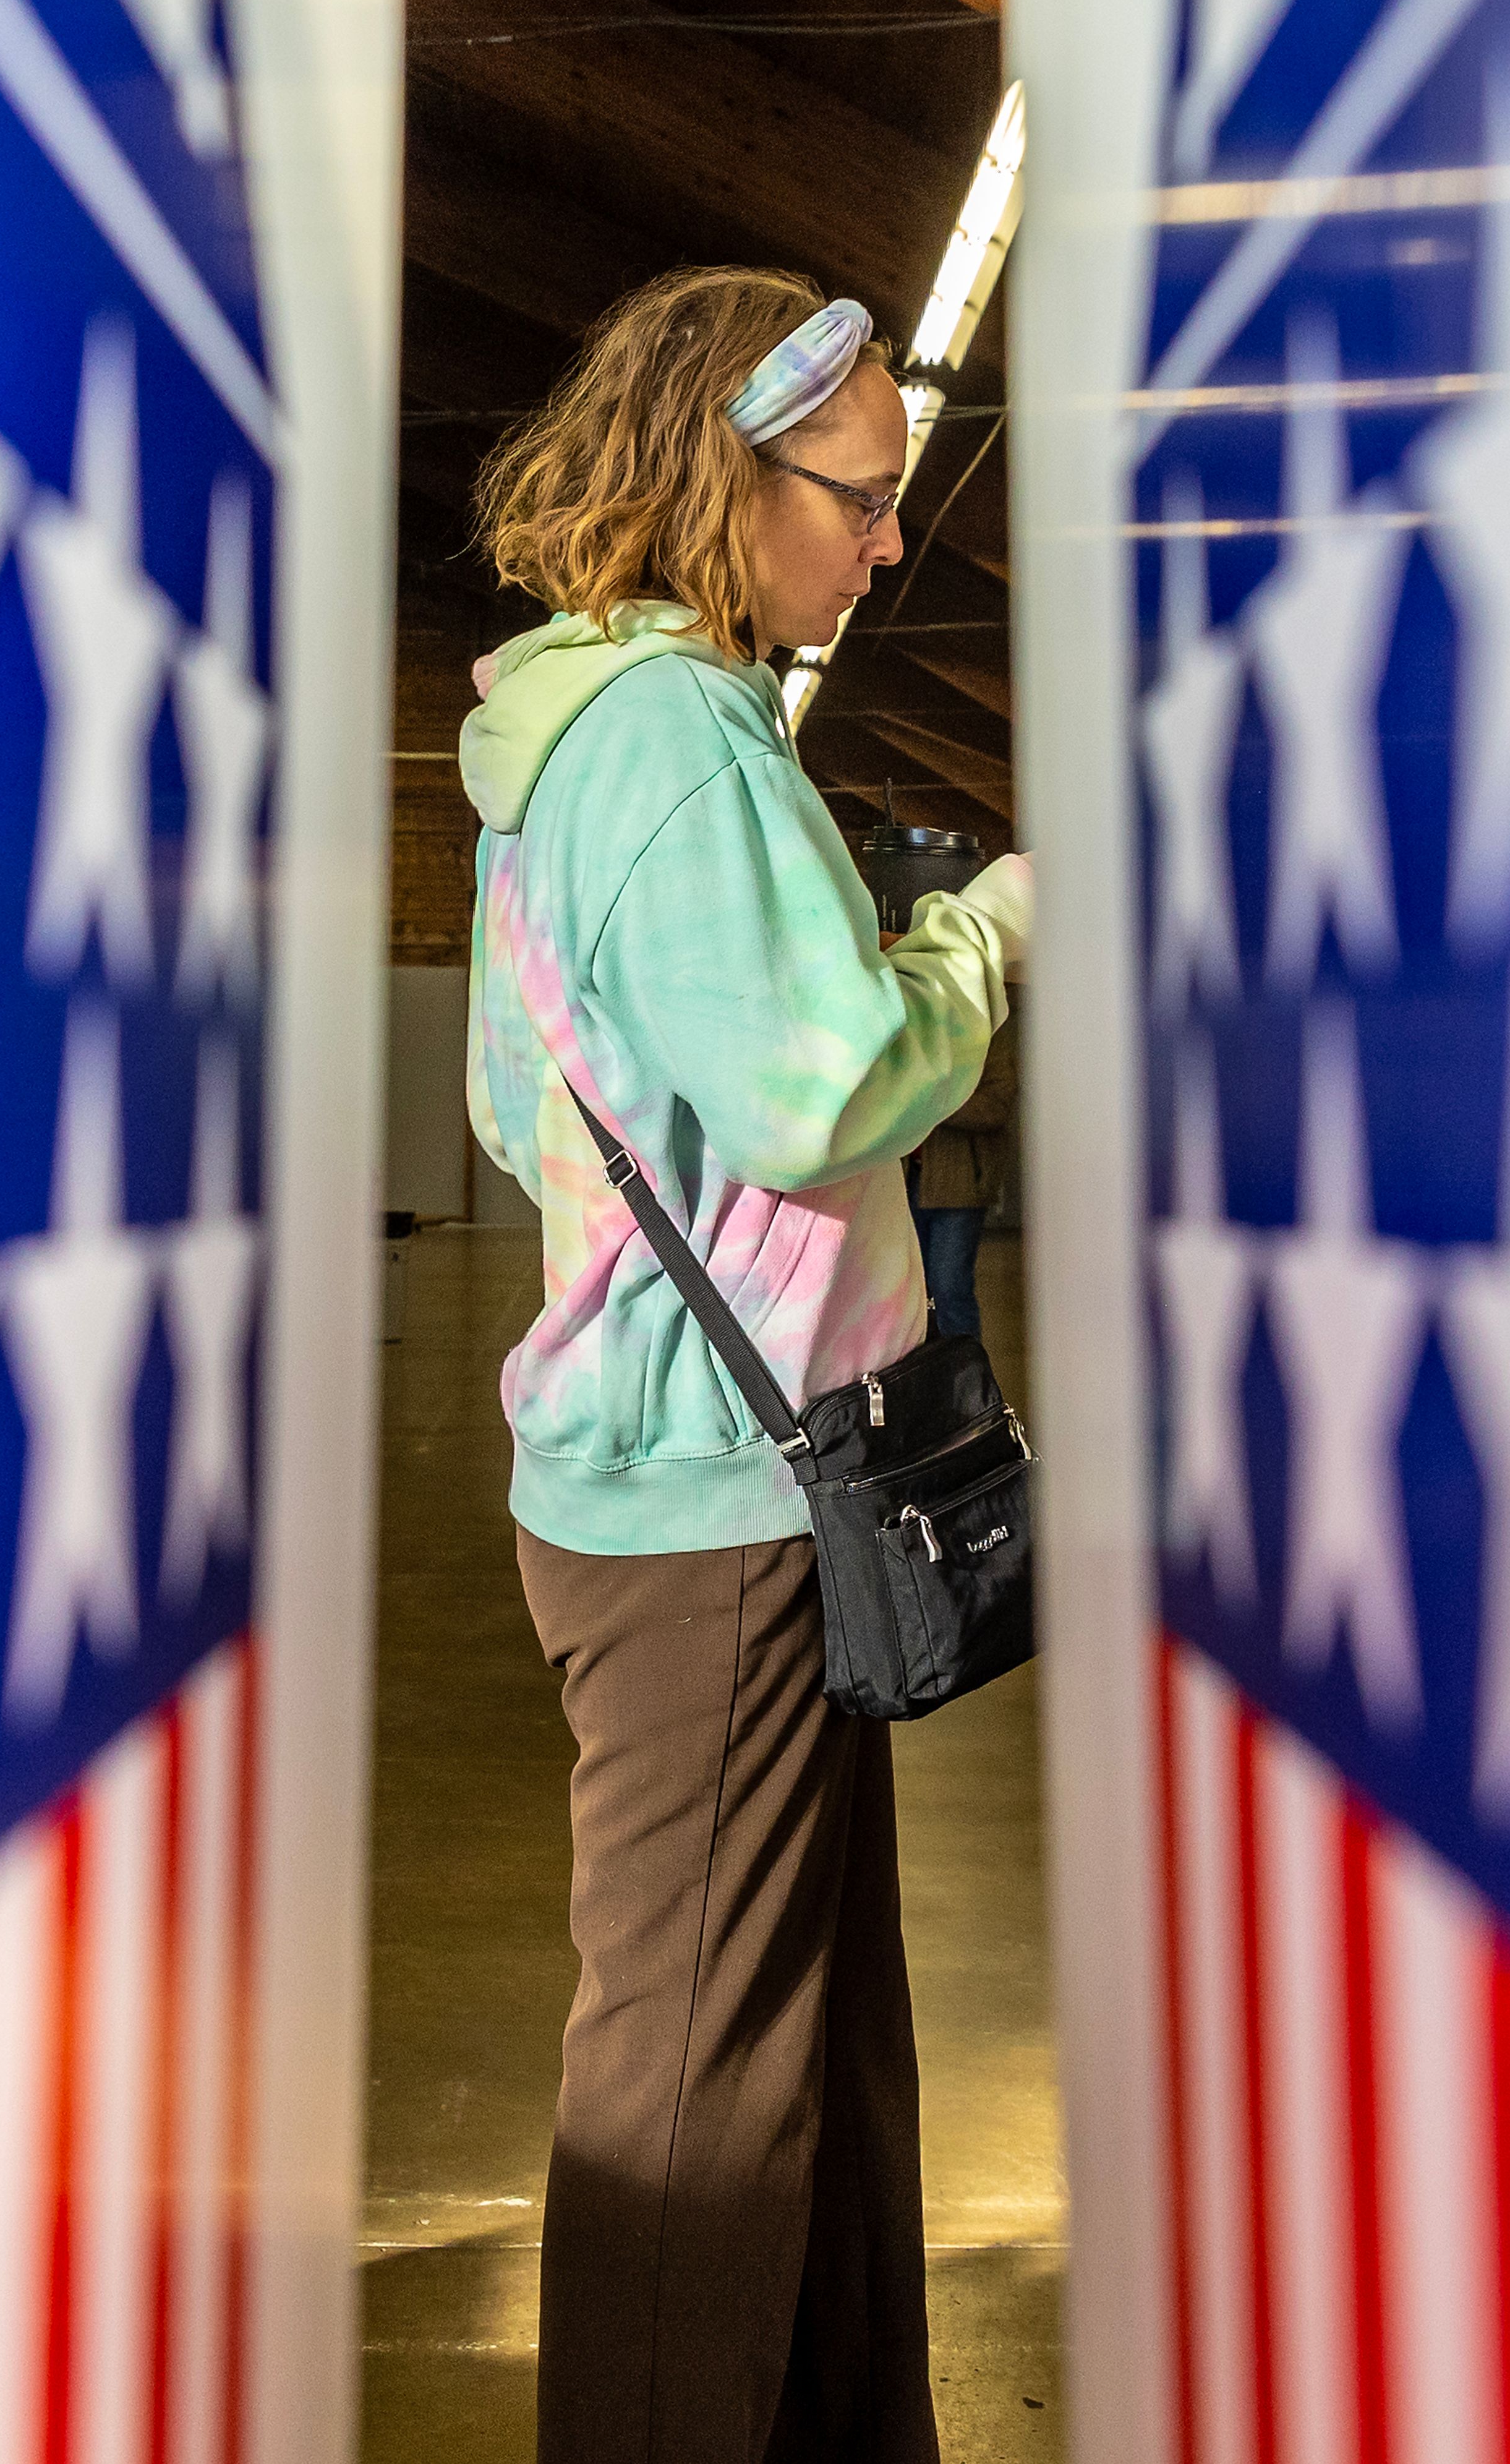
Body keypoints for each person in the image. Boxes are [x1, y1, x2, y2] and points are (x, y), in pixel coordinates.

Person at [460, 267, 1030, 2464]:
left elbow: (542, 1106)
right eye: (860, 499)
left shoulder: (569, 732)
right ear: (729, 476)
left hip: (718, 1481)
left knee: (810, 2039)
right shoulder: (673, 737)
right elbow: (817, 1083)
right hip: (712, 1505)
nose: (885, 547)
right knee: (699, 2076)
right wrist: (986, 932)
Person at [910, 1005, 1017, 1341]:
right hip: (907, 1180)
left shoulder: (989, 1031)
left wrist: (936, 1104)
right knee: (912, 1293)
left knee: (949, 1288)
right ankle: (928, 1375)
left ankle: (966, 1381)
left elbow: (997, 1105)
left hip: (961, 1184)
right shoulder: (916, 1029)